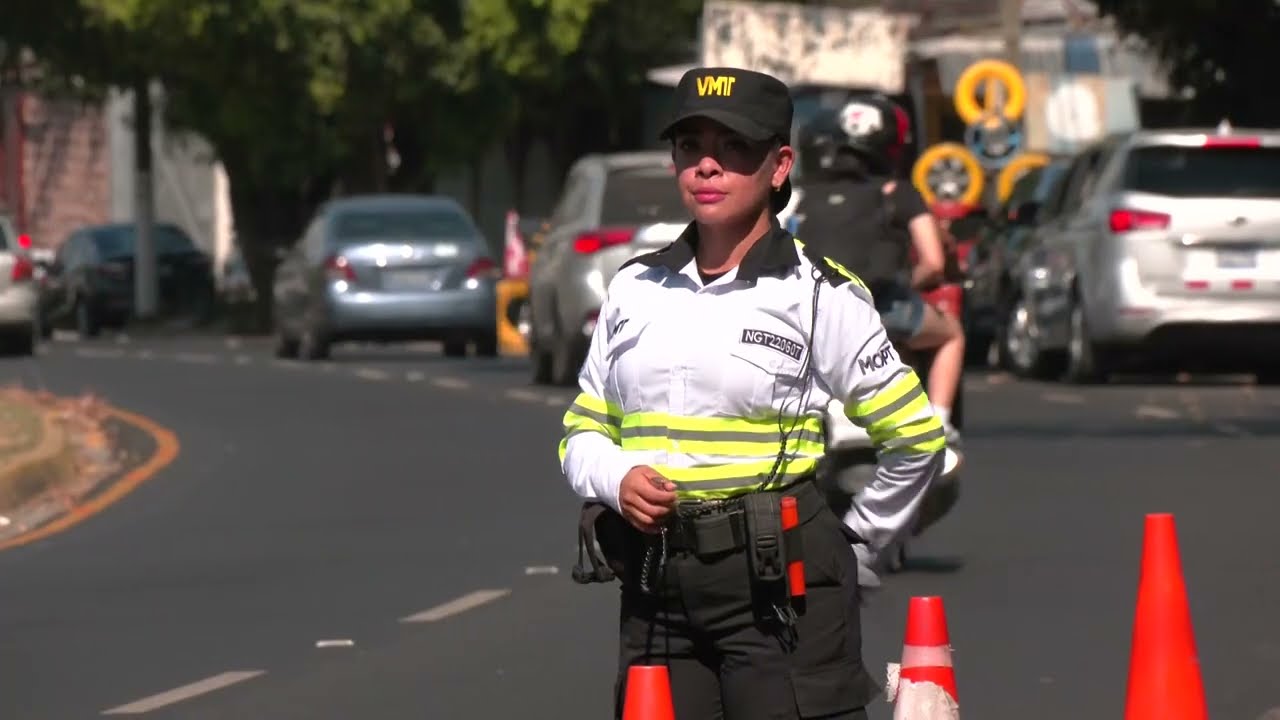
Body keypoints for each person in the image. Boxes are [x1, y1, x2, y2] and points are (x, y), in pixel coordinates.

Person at [559, 67, 946, 720]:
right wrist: (616, 474)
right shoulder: (634, 289)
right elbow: (582, 432)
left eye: (733, 147)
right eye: (690, 147)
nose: (707, 166)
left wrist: (858, 547)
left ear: (778, 165)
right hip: (657, 595)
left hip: (780, 599)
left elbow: (916, 440)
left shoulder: (818, 293)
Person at [792, 94, 966, 453]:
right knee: (951, 335)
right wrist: (911, 283)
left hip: (809, 313)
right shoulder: (898, 193)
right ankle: (940, 422)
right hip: (880, 306)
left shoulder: (802, 196)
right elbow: (934, 261)